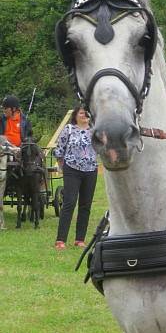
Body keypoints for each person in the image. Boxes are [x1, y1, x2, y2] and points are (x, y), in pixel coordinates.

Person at [53, 107, 98, 250]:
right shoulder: (69, 129)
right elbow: (59, 148)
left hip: (91, 170)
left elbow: (103, 146)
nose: (84, 115)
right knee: (69, 203)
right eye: (81, 112)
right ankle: (60, 240)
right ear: (75, 115)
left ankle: (80, 239)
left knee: (85, 205)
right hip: (72, 169)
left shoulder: (95, 130)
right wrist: (61, 164)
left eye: (86, 112)